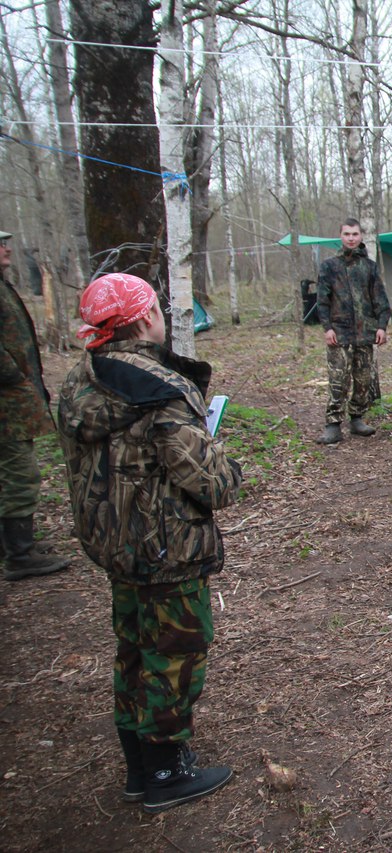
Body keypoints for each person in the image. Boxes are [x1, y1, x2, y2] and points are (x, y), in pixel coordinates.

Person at [58, 273, 240, 813]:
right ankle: (166, 769)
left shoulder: (80, 380)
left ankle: (138, 765)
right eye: (157, 309)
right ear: (142, 320)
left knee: (134, 647)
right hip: (167, 547)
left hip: (115, 544)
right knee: (175, 653)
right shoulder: (159, 389)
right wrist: (220, 455)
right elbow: (213, 483)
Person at [0, 228, 71, 580]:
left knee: (13, 472)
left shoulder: (4, 285)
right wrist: (13, 376)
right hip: (7, 405)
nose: (6, 248)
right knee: (19, 475)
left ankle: (13, 545)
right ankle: (19, 554)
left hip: (13, 403)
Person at [315, 218, 391, 444]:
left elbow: (380, 299)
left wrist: (381, 326)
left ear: (360, 236)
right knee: (338, 379)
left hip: (365, 333)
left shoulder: (369, 267)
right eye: (347, 234)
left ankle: (357, 418)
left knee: (363, 379)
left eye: (355, 234)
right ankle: (333, 424)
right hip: (340, 333)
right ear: (341, 236)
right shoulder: (330, 266)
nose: (351, 238)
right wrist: (327, 328)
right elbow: (322, 301)